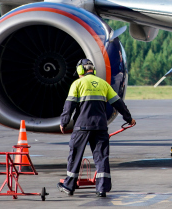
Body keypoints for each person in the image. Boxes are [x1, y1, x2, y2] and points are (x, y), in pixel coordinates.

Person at [57, 58, 135, 198]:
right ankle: (102, 189)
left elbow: (69, 106)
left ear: (81, 70)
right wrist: (129, 118)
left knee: (75, 155)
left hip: (82, 126)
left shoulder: (77, 83)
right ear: (93, 70)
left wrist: (64, 122)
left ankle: (69, 186)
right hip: (100, 126)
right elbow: (118, 103)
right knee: (101, 157)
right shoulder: (103, 84)